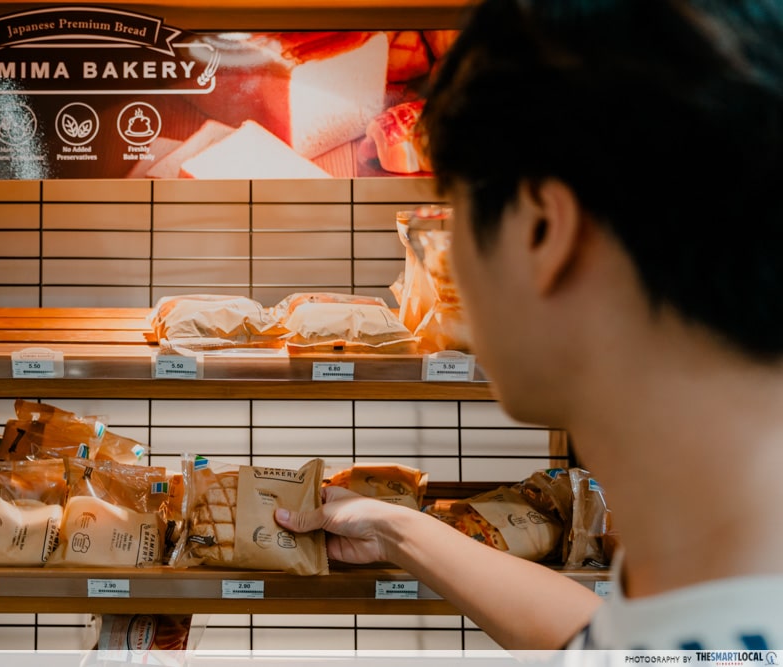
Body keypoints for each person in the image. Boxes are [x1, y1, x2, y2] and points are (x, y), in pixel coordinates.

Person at [276, 0, 783, 651]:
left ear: (543, 231)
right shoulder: (716, 576)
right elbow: (604, 638)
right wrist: (401, 530)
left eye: (450, 214)